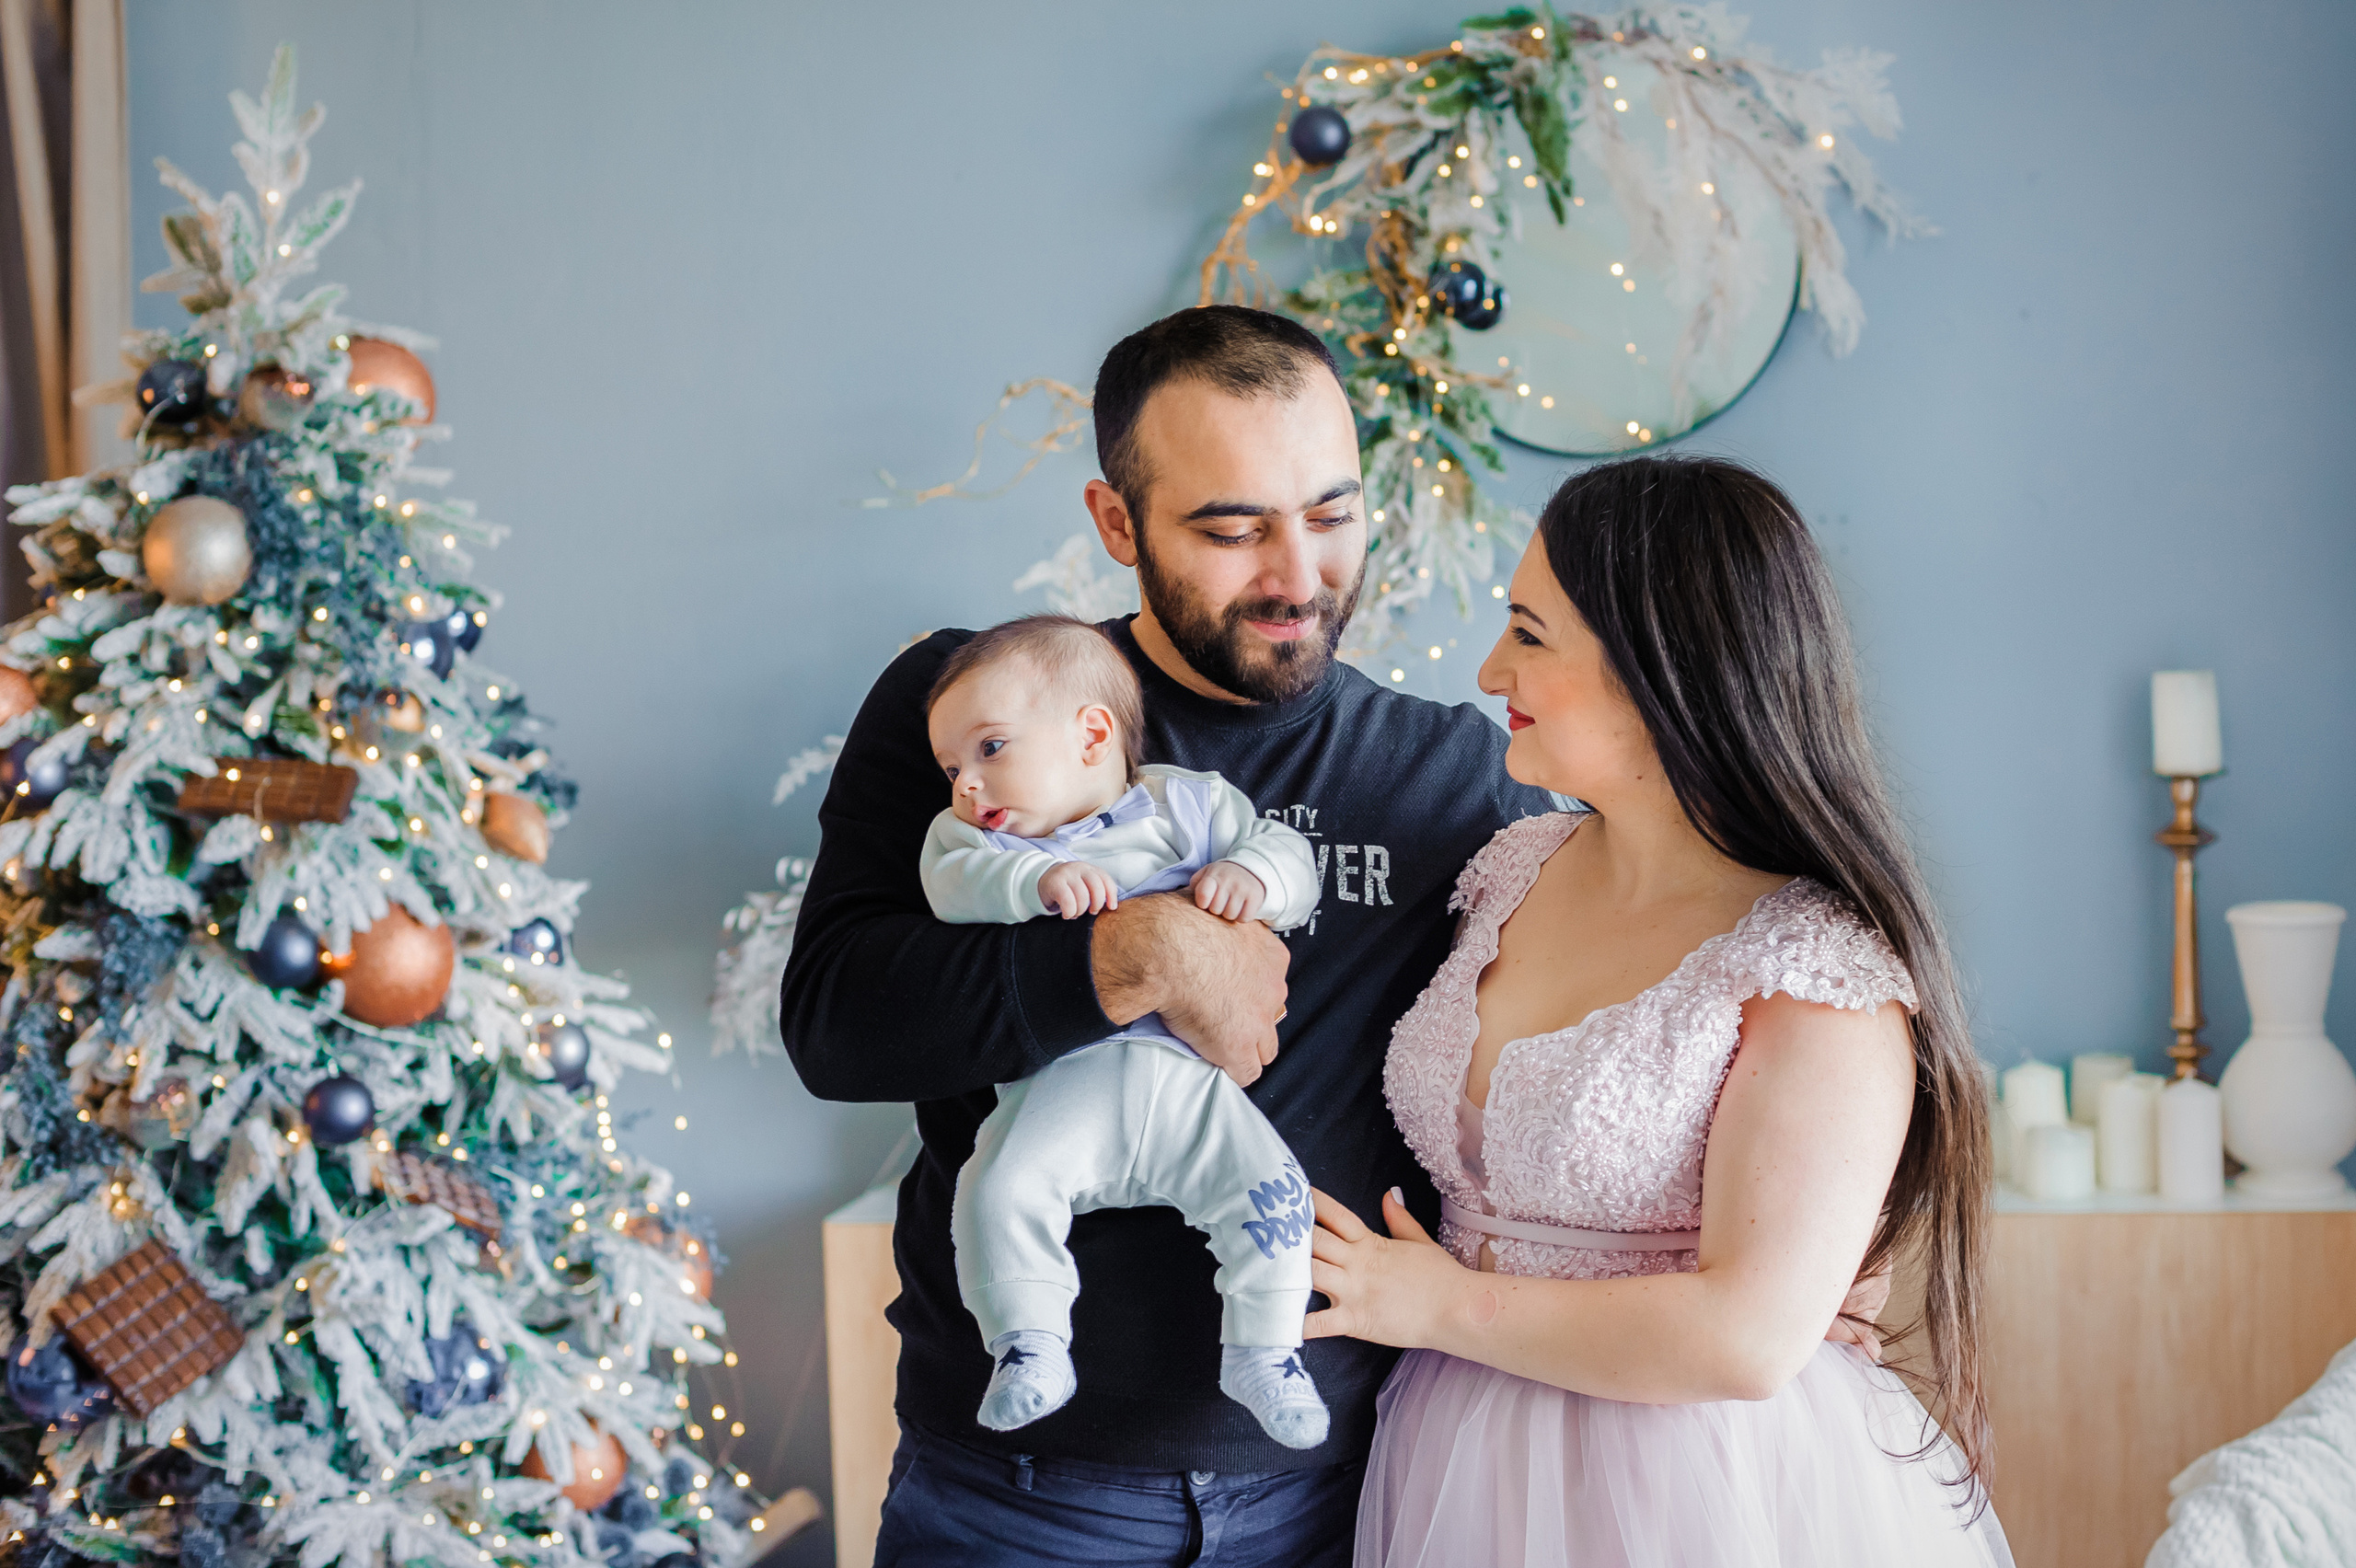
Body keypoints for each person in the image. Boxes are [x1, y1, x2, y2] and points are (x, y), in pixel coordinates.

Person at [781, 305, 1550, 1565]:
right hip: (1022, 1502)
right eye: (1233, 527)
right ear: (1116, 524)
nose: (1297, 575)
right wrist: (1134, 954)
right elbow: (837, 1021)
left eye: (1332, 512)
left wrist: (1794, 1258)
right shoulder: (980, 716)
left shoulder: (1452, 777)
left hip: (1350, 1491)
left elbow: (1690, 954)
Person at [1304, 455, 2013, 1567]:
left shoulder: (1814, 962)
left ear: (1660, 668)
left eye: (1530, 635)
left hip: (1695, 1479)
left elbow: (1747, 1339)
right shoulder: (1507, 870)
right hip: (1455, 1444)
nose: (1493, 668)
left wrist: (1438, 1306)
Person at [917, 613, 1329, 1448]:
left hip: (1190, 1086)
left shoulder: (1188, 803)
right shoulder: (979, 844)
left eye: (989, 749)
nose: (966, 784)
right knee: (994, 1191)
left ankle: (1265, 1353)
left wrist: (1252, 876)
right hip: (1063, 1081)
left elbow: (1288, 854)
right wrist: (1034, 883)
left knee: (1274, 1194)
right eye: (951, 767)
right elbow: (949, 883)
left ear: (1093, 734)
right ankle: (1029, 1344)